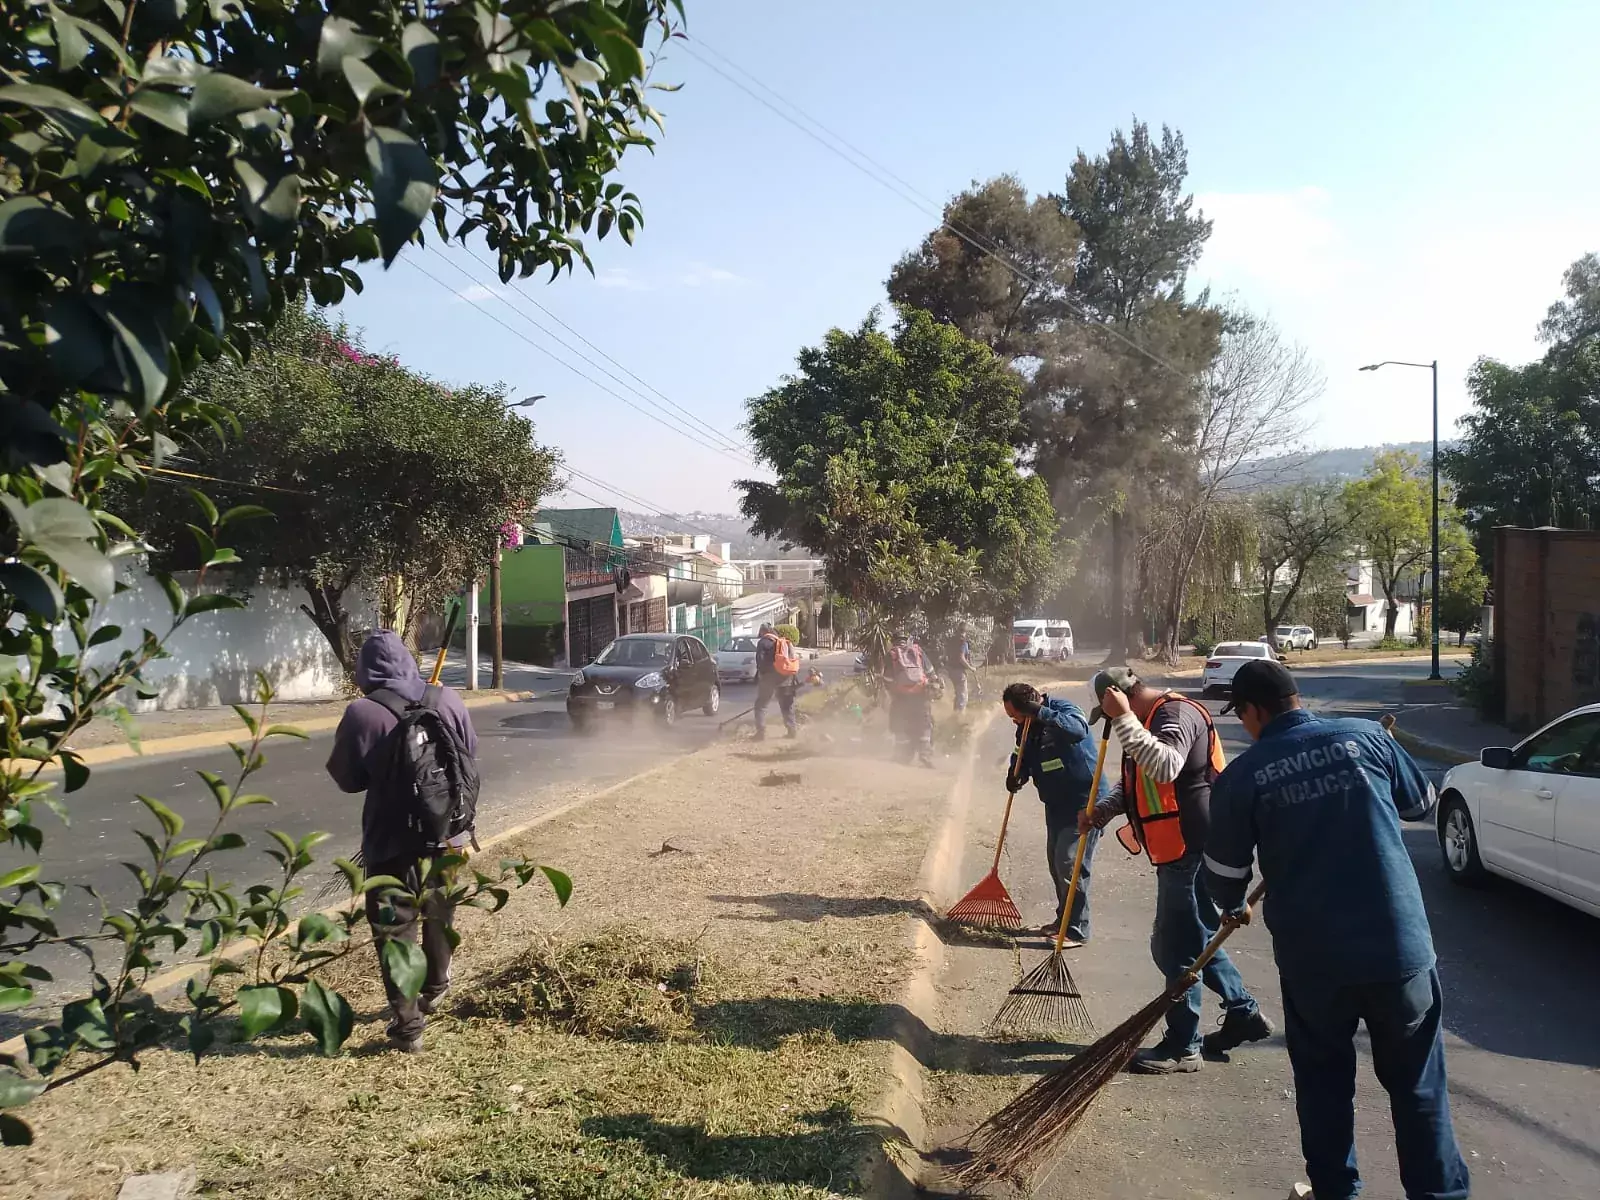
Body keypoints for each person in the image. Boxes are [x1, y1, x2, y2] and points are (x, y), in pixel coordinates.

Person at [1205, 660, 1470, 1200]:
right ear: (1295, 698)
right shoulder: (1366, 736)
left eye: (1243, 716)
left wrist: (1235, 908)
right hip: (1398, 946)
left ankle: (1336, 1192)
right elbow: (1420, 805)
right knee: (1418, 1088)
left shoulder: (1244, 775)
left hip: (1315, 960)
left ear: (1253, 711)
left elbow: (1226, 875)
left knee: (1324, 1085)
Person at [1080, 666, 1271, 1073]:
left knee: (1175, 950)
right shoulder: (1147, 722)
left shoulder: (1174, 716)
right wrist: (1103, 812)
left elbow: (1164, 765)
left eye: (1111, 710)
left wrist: (1123, 719)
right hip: (1176, 850)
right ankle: (1242, 1010)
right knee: (1195, 942)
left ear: (1123, 696)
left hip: (1192, 851)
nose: (1112, 723)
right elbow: (1138, 782)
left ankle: (1184, 1046)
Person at [326, 630, 479, 1053]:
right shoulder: (447, 699)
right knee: (440, 914)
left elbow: (347, 778)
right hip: (449, 836)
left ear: (364, 670)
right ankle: (436, 985)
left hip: (390, 844)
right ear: (410, 662)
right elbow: (469, 753)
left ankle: (409, 1027)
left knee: (395, 933)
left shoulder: (362, 712)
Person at [1001, 682, 1108, 944]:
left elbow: (1077, 729)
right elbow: (1021, 754)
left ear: (1030, 706)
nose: (1014, 721)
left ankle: (1076, 929)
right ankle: (1064, 920)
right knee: (1056, 862)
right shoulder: (1025, 728)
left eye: (1016, 714)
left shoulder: (1061, 710)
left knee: (1069, 862)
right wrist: (1016, 774)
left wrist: (1040, 713)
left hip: (1086, 800)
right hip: (1057, 803)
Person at [885, 631, 935, 767]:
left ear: (893, 641)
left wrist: (893, 692)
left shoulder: (892, 654)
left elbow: (888, 680)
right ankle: (925, 755)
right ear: (906, 640)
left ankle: (903, 755)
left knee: (899, 725)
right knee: (924, 725)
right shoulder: (917, 651)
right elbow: (931, 672)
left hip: (901, 698)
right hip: (921, 695)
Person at [753, 622, 798, 740]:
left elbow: (760, 662)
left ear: (763, 632)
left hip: (769, 679)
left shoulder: (762, 643)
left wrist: (761, 676)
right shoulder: (783, 643)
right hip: (786, 678)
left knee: (761, 705)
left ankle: (761, 733)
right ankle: (792, 730)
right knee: (786, 705)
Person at [947, 625, 976, 712]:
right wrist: (971, 668)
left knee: (958, 695)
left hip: (951, 670)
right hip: (959, 672)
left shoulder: (951, 641)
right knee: (963, 696)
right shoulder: (963, 643)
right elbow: (961, 658)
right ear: (965, 632)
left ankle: (955, 714)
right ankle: (959, 718)